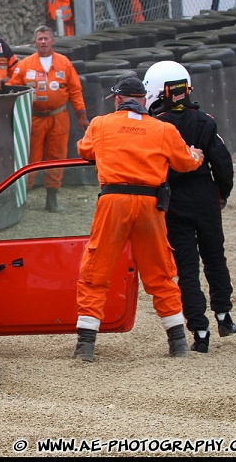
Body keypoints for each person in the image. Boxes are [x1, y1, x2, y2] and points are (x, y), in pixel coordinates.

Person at [73, 76, 205, 362]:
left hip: (113, 202)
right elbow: (186, 162)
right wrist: (197, 154)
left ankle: (85, 346)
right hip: (150, 204)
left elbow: (84, 150)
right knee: (160, 273)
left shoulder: (100, 124)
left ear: (118, 100)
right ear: (145, 99)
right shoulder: (163, 129)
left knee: (96, 272)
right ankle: (178, 343)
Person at [143, 61, 236, 353]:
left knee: (186, 268)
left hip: (174, 199)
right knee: (214, 257)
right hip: (205, 195)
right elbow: (222, 162)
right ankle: (224, 315)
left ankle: (199, 330)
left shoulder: (157, 126)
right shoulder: (205, 121)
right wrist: (222, 193)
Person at [7, 25, 89, 212]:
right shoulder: (25, 64)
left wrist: (81, 115)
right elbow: (12, 88)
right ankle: (22, 200)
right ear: (34, 42)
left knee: (56, 157)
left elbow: (75, 90)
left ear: (52, 41)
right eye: (39, 38)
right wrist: (1, 85)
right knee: (30, 159)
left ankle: (52, 199)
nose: (43, 42)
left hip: (59, 117)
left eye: (46, 38)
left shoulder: (64, 63)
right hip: (34, 118)